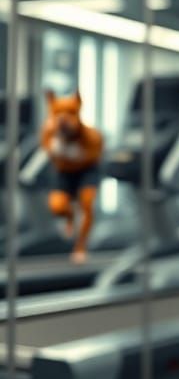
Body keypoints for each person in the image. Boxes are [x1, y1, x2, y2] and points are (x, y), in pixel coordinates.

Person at [41, 89, 103, 263]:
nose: (63, 118)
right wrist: (56, 149)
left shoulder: (91, 136)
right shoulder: (49, 134)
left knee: (87, 202)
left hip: (86, 171)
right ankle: (70, 216)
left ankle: (81, 246)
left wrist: (79, 154)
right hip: (64, 171)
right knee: (57, 206)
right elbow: (46, 149)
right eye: (58, 113)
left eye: (69, 113)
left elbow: (96, 152)